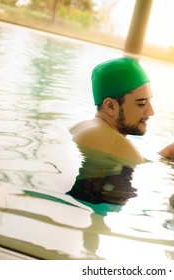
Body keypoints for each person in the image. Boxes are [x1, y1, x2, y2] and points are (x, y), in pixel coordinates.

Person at [66, 57, 154, 206]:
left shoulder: (81, 126)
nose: (151, 111)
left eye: (149, 101)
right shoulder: (117, 144)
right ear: (110, 106)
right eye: (141, 103)